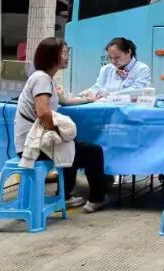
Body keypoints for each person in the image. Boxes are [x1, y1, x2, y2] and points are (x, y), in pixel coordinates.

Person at [15, 37, 108, 212]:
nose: (67, 57)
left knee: (72, 145)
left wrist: (89, 99)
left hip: (34, 142)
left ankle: (64, 196)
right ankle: (97, 198)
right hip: (34, 146)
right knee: (93, 151)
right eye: (63, 53)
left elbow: (64, 100)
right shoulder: (42, 79)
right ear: (51, 56)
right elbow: (44, 113)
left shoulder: (45, 78)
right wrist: (60, 132)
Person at [77, 37, 151, 100]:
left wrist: (110, 95)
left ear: (129, 52)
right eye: (110, 57)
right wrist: (88, 92)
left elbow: (138, 91)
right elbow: (98, 86)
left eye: (117, 57)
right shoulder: (106, 69)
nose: (113, 61)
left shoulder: (141, 69)